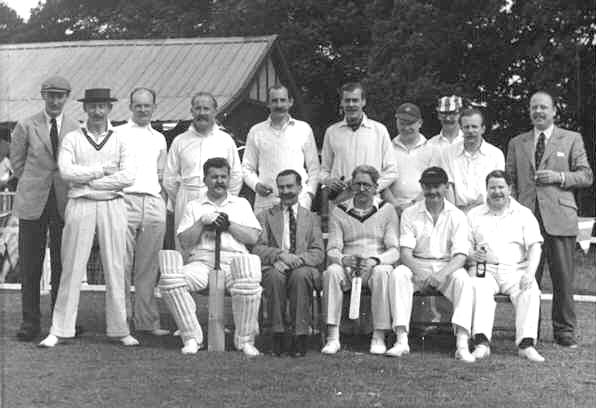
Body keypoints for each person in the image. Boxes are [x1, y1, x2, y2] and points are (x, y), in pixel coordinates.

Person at [40, 88, 137, 347]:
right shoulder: (72, 138)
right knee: (71, 266)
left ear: (109, 109)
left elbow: (128, 176)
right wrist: (103, 171)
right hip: (80, 205)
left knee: (116, 266)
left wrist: (90, 184)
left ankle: (120, 329)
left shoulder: (121, 138)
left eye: (102, 106)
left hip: (111, 205)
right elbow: (66, 172)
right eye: (92, 106)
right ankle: (60, 329)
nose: (97, 111)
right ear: (85, 108)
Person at [506, 91, 593, 348]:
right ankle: (528, 331)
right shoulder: (517, 142)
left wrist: (559, 177)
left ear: (555, 111)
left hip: (560, 218)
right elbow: (509, 179)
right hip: (526, 219)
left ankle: (564, 331)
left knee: (563, 279)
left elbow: (586, 176)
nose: (538, 112)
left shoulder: (571, 139)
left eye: (543, 107)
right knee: (527, 277)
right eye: (534, 107)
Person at [158, 157, 263, 356]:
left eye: (223, 177)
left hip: (234, 262)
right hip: (202, 262)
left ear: (229, 179)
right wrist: (200, 223)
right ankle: (191, 337)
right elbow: (185, 242)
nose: (219, 181)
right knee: (171, 280)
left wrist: (229, 225)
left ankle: (245, 341)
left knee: (249, 282)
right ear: (205, 179)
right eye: (214, 177)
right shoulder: (194, 206)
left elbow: (253, 237)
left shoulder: (240, 204)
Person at [10, 76, 80, 341]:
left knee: (63, 264)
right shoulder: (26, 125)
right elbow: (17, 165)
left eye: (60, 96)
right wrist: (35, 182)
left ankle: (61, 322)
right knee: (30, 264)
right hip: (33, 201)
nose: (54, 101)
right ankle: (30, 323)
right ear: (43, 96)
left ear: (67, 98)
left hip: (64, 202)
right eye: (50, 95)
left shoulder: (76, 127)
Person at [389, 167, 475, 362]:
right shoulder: (410, 213)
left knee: (463, 280)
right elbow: (405, 253)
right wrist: (420, 272)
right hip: (416, 265)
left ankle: (462, 344)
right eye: (428, 187)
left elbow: (461, 256)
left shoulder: (457, 215)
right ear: (422, 187)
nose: (432, 192)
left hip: (447, 266)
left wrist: (442, 274)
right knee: (398, 274)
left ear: (446, 187)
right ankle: (401, 340)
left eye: (437, 186)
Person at [321, 165, 399, 355]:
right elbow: (332, 249)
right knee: (331, 272)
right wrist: (343, 259)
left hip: (375, 265)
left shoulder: (387, 210)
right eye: (357, 184)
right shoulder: (339, 211)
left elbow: (394, 250)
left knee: (382, 272)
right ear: (351, 186)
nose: (362, 189)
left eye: (367, 184)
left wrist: (375, 260)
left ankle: (378, 336)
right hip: (349, 267)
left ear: (375, 187)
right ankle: (333, 337)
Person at [468, 170, 545, 362]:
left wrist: (529, 273)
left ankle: (526, 345)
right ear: (486, 190)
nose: (497, 192)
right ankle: (481, 343)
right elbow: (464, 247)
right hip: (485, 269)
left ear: (509, 189)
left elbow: (535, 246)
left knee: (530, 290)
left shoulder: (524, 214)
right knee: (478, 287)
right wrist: (472, 255)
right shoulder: (474, 214)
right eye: (492, 187)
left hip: (516, 269)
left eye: (501, 187)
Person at [252, 169, 324, 356]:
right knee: (275, 277)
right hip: (275, 266)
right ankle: (278, 334)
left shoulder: (311, 218)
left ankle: (300, 335)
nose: (285, 191)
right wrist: (279, 255)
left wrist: (296, 260)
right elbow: (258, 248)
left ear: (300, 187)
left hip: (303, 267)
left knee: (300, 276)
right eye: (281, 187)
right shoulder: (266, 216)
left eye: (290, 186)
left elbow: (318, 252)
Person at [116, 88, 168, 336]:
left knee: (148, 268)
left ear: (154, 107)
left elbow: (161, 174)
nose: (143, 109)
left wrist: (160, 200)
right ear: (130, 106)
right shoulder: (117, 134)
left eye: (147, 105)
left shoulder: (159, 138)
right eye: (138, 105)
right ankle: (121, 322)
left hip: (153, 202)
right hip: (126, 201)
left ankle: (146, 322)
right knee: (121, 265)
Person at [163, 92, 242, 239]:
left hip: (218, 199)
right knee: (185, 244)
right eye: (197, 108)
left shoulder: (225, 140)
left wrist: (225, 199)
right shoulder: (180, 141)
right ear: (191, 111)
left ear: (215, 111)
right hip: (187, 197)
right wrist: (182, 197)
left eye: (206, 109)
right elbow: (169, 178)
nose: (202, 113)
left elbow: (236, 175)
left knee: (216, 243)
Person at [242, 85, 320, 213]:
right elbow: (246, 167)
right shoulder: (256, 131)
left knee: (299, 234)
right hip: (267, 201)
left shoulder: (303, 129)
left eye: (283, 100)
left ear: (290, 102)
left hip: (299, 201)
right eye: (274, 101)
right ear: (268, 103)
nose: (279, 105)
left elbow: (314, 168)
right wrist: (256, 185)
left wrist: (310, 194)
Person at [320, 82, 397, 201]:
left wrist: (372, 188)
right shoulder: (332, 132)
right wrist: (328, 180)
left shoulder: (379, 130)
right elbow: (324, 170)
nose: (351, 104)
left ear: (363, 102)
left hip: (371, 202)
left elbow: (391, 171)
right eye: (347, 100)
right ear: (341, 102)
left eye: (355, 100)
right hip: (340, 201)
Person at [439, 108, 504, 212]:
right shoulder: (448, 154)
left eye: (474, 127)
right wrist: (456, 215)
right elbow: (448, 189)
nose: (470, 131)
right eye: (466, 127)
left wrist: (475, 210)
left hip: (487, 213)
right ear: (461, 129)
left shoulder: (496, 155)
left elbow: (497, 189)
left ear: (483, 129)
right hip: (456, 214)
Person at [383, 102, 436, 216]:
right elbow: (382, 181)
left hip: (423, 209)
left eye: (410, 123)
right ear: (396, 123)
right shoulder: (387, 148)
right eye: (402, 123)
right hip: (392, 210)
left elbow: (433, 182)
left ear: (420, 123)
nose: (406, 128)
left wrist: (413, 204)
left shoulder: (431, 149)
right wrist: (395, 205)